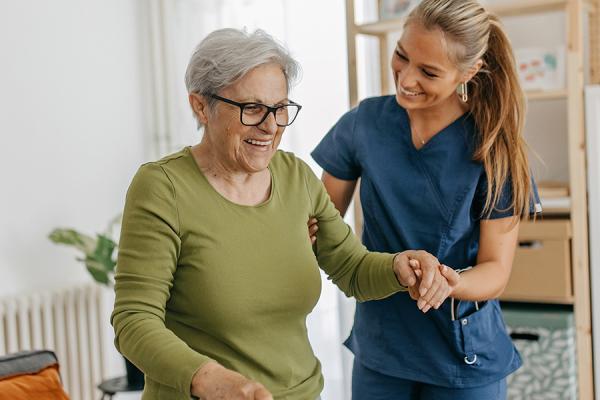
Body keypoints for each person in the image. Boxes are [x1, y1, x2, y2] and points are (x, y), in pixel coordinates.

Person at [111, 28, 456, 400]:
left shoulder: (295, 177)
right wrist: (207, 379)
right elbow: (134, 320)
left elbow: (352, 269)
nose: (271, 125)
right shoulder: (163, 188)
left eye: (280, 108)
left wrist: (399, 268)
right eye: (252, 109)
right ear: (200, 106)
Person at [311, 0, 542, 399]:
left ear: (468, 73)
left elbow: (495, 270)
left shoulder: (494, 148)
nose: (406, 78)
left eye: (429, 72)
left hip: (462, 358)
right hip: (382, 350)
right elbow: (320, 225)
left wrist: (449, 283)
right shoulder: (363, 125)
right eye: (402, 55)